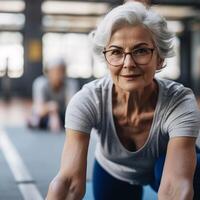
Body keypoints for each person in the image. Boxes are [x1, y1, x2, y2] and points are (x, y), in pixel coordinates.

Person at [46, 2, 200, 200]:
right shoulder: (87, 100)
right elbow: (69, 183)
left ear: (160, 58)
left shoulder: (179, 101)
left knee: (173, 172)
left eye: (141, 51)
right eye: (116, 52)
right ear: (106, 58)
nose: (128, 64)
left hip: (168, 168)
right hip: (114, 170)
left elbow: (175, 187)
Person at [28, 58, 78, 132]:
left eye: (60, 71)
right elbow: (39, 109)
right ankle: (36, 122)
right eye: (54, 71)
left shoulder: (71, 84)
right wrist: (52, 110)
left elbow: (72, 109)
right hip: (45, 114)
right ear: (48, 72)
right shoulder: (39, 83)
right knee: (37, 115)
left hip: (64, 114)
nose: (57, 75)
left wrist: (56, 114)